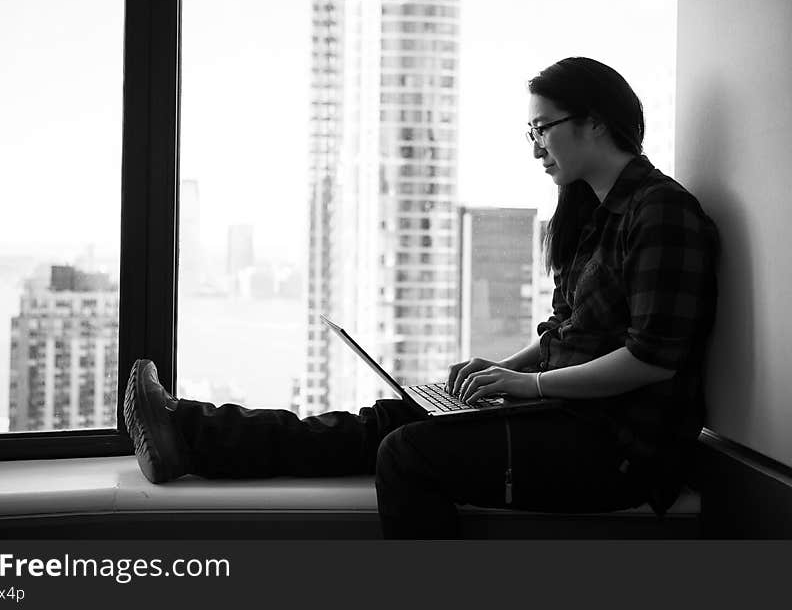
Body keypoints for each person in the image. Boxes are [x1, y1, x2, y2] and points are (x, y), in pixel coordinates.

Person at [123, 57, 719, 538]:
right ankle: (188, 432)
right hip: (562, 415)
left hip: (617, 451)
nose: (535, 145)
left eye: (543, 127)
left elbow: (652, 358)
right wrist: (502, 372)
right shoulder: (591, 215)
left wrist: (528, 387)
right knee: (385, 418)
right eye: (530, 131)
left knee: (407, 453)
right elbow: (564, 334)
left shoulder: (661, 213)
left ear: (593, 121)